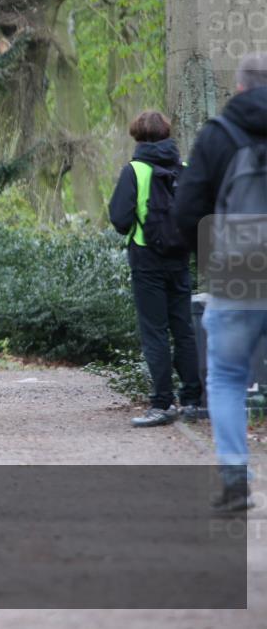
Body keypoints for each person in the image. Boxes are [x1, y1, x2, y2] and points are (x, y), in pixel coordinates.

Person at [173, 52, 267, 512]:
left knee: (228, 377)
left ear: (241, 87)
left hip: (238, 271)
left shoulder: (217, 135)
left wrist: (212, 260)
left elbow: (187, 212)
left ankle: (235, 478)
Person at [108, 111, 203, 427]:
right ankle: (192, 400)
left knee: (155, 333)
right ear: (166, 135)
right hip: (179, 260)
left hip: (147, 261)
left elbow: (120, 221)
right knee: (184, 330)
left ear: (137, 137)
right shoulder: (186, 170)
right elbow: (198, 217)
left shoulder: (134, 171)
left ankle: (162, 404)